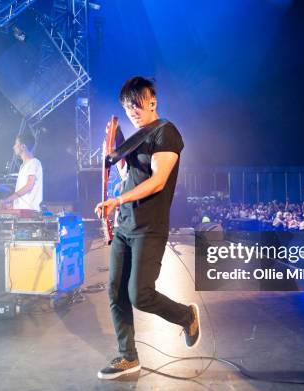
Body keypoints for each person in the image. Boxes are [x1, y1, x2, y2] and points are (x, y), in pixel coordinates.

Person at [94, 76, 200, 380]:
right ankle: (128, 357)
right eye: (128, 105)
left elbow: (157, 180)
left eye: (137, 103)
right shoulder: (136, 137)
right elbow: (128, 172)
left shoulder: (166, 132)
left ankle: (186, 316)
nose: (133, 110)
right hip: (125, 224)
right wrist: (114, 146)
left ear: (152, 100)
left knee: (140, 295)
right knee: (115, 292)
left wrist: (118, 198)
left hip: (149, 227)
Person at [0, 132, 42, 211]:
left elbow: (29, 186)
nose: (13, 147)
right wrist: (12, 205)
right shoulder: (22, 166)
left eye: (16, 144)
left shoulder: (34, 162)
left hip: (30, 212)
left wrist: (8, 200)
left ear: (23, 146)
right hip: (22, 211)